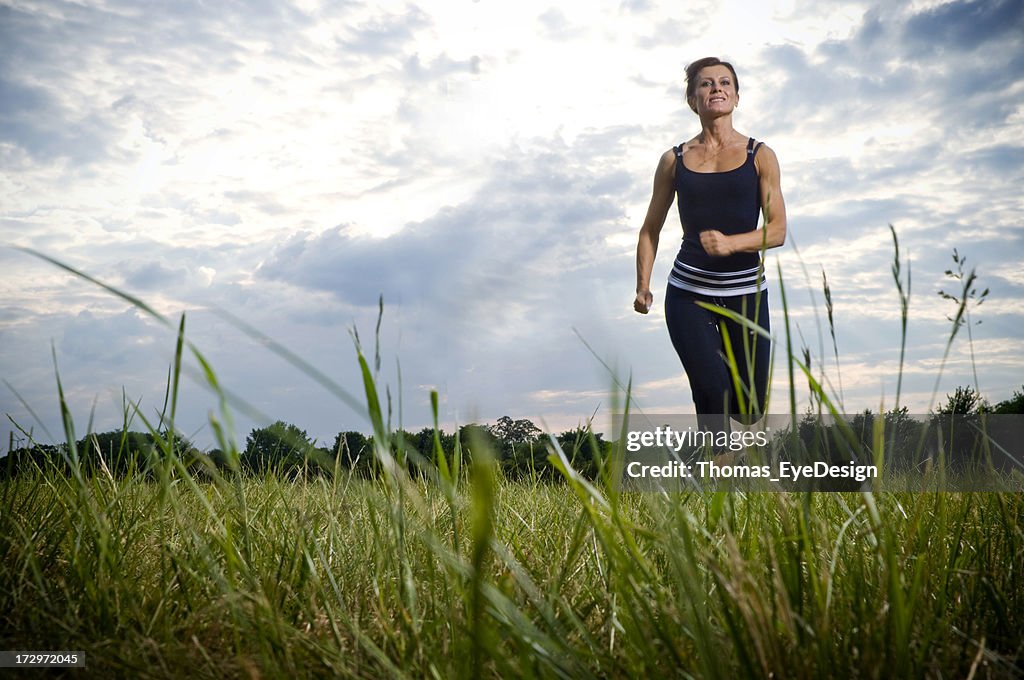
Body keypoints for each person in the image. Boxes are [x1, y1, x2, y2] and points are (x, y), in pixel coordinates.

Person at [633, 57, 787, 434]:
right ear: (692, 100)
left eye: (724, 83)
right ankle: (716, 482)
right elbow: (649, 230)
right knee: (710, 390)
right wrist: (642, 286)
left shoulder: (759, 155)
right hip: (688, 294)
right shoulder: (674, 160)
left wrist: (733, 243)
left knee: (749, 408)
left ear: (736, 96)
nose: (716, 88)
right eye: (705, 84)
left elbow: (778, 229)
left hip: (746, 294)